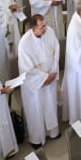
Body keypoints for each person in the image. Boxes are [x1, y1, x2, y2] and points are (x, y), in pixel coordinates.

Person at [17, 13, 60, 147]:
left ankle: (53, 132)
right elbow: (27, 69)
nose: (45, 28)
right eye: (41, 27)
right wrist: (44, 78)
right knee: (36, 109)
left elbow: (56, 51)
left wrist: (53, 71)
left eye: (45, 25)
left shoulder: (50, 32)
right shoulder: (24, 43)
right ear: (33, 29)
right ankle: (37, 138)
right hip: (36, 83)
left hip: (50, 77)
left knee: (51, 104)